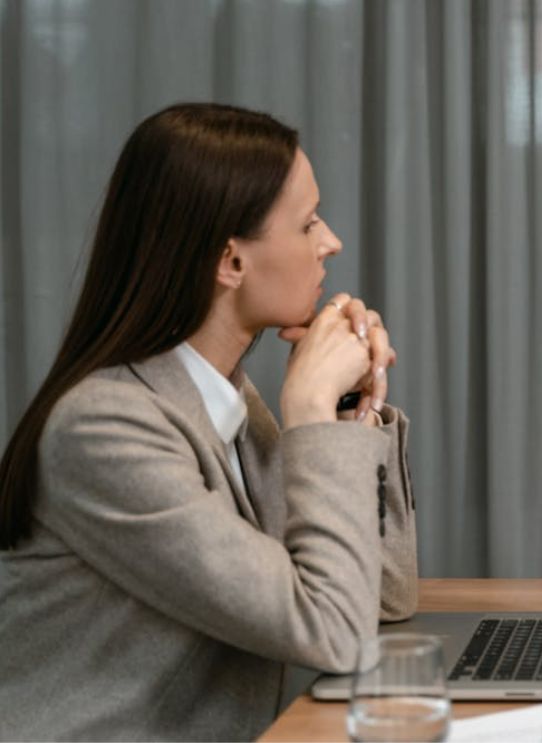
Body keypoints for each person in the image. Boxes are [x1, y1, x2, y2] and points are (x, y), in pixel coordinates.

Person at [0, 103, 419, 740]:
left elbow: (382, 596)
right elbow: (332, 632)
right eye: (308, 224)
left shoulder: (225, 402)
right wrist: (310, 420)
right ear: (231, 261)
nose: (330, 241)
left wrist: (345, 411)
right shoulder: (106, 431)